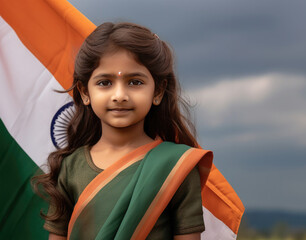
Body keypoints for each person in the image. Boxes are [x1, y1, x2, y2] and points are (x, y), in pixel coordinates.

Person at [31, 22, 213, 240]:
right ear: (84, 92)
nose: (119, 95)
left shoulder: (176, 167)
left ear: (158, 91)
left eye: (135, 82)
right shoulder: (69, 167)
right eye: (105, 82)